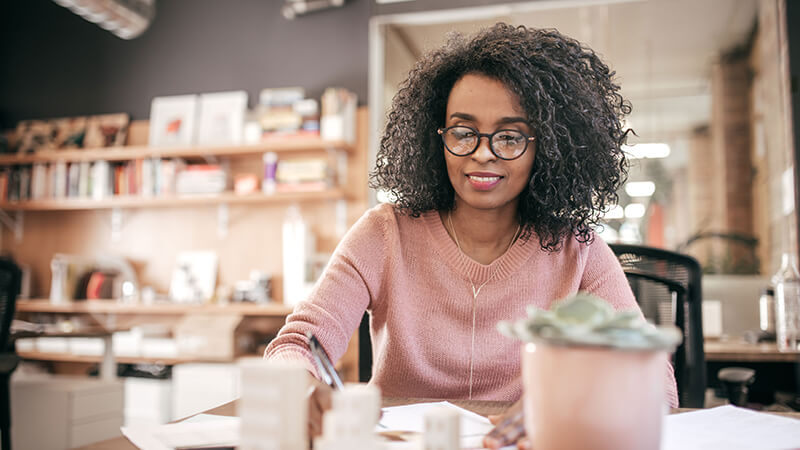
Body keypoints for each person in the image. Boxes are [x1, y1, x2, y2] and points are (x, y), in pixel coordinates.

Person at [265, 23, 678, 447]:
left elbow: (656, 384)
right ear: (437, 137)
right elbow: (298, 342)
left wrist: (567, 405)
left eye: (510, 136)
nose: (483, 153)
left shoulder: (580, 250)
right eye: (464, 132)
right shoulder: (383, 233)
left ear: (547, 147)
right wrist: (299, 384)